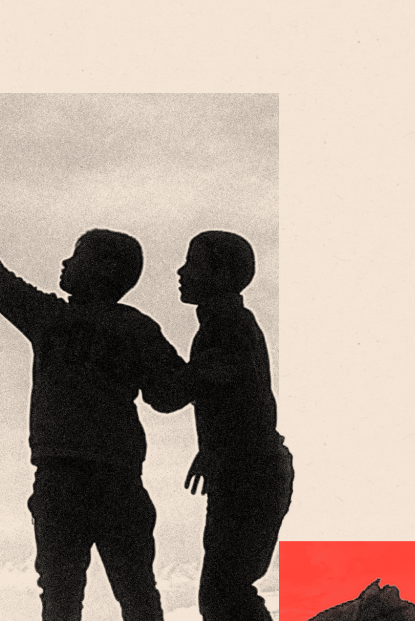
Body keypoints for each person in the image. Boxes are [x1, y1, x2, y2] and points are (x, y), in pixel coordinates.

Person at [0, 174, 185, 621]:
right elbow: (169, 395)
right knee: (137, 594)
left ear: (101, 271)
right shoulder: (136, 328)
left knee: (65, 598)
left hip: (67, 478)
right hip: (114, 478)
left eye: (77, 256)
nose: (65, 261)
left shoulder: (52, 319)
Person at [164, 231, 294, 621]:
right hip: (250, 472)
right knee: (227, 592)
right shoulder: (227, 324)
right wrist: (210, 452)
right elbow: (242, 399)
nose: (181, 271)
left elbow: (189, 389)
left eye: (193, 263)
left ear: (221, 274)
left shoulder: (225, 326)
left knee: (224, 595)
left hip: (250, 476)